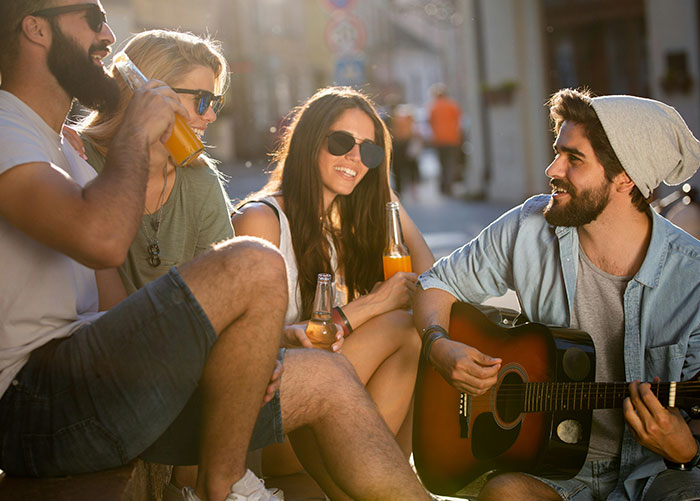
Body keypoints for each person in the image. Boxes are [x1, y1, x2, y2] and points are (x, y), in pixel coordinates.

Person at [0, 2, 432, 501]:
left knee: (328, 375)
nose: (107, 33)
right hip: (36, 404)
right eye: (91, 18)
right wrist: (138, 134)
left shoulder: (58, 149)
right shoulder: (10, 132)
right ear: (35, 27)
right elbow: (103, 240)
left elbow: (115, 307)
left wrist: (234, 355)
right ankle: (222, 489)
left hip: (100, 382)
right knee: (254, 260)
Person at [414, 88, 700, 500]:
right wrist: (439, 346)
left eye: (574, 158)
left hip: (655, 475)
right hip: (553, 470)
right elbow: (435, 284)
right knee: (503, 494)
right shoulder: (530, 226)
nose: (552, 168)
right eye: (557, 151)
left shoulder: (691, 278)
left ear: (625, 177)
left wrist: (686, 451)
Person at [232, 86, 435, 479]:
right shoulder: (261, 221)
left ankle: (383, 484)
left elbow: (430, 277)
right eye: (342, 142)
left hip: (326, 422)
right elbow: (237, 347)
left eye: (370, 152)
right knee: (403, 327)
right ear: (310, 142)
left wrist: (386, 196)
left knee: (425, 339)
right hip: (268, 425)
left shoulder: (338, 232)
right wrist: (373, 305)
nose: (355, 159)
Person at [428, 83, 461, 196]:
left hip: (438, 139)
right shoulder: (452, 105)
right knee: (450, 163)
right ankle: (449, 186)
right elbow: (458, 120)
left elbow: (430, 122)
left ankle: (443, 186)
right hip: (452, 138)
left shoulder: (433, 106)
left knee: (442, 163)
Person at [390, 103, 421, 198]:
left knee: (399, 170)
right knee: (410, 170)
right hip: (406, 148)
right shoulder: (410, 122)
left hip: (399, 148)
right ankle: (412, 191)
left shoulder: (395, 121)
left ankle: (401, 191)